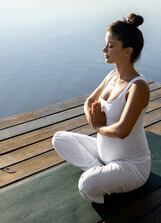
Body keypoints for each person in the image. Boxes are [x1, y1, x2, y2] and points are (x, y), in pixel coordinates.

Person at [52, 13, 151, 204]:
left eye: (111, 46)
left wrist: (98, 128)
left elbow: (123, 130)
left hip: (131, 166)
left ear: (127, 51)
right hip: (103, 154)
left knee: (86, 186)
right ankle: (98, 169)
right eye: (106, 44)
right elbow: (89, 102)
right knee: (59, 138)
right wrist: (92, 118)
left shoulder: (138, 87)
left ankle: (99, 175)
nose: (104, 49)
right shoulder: (112, 75)